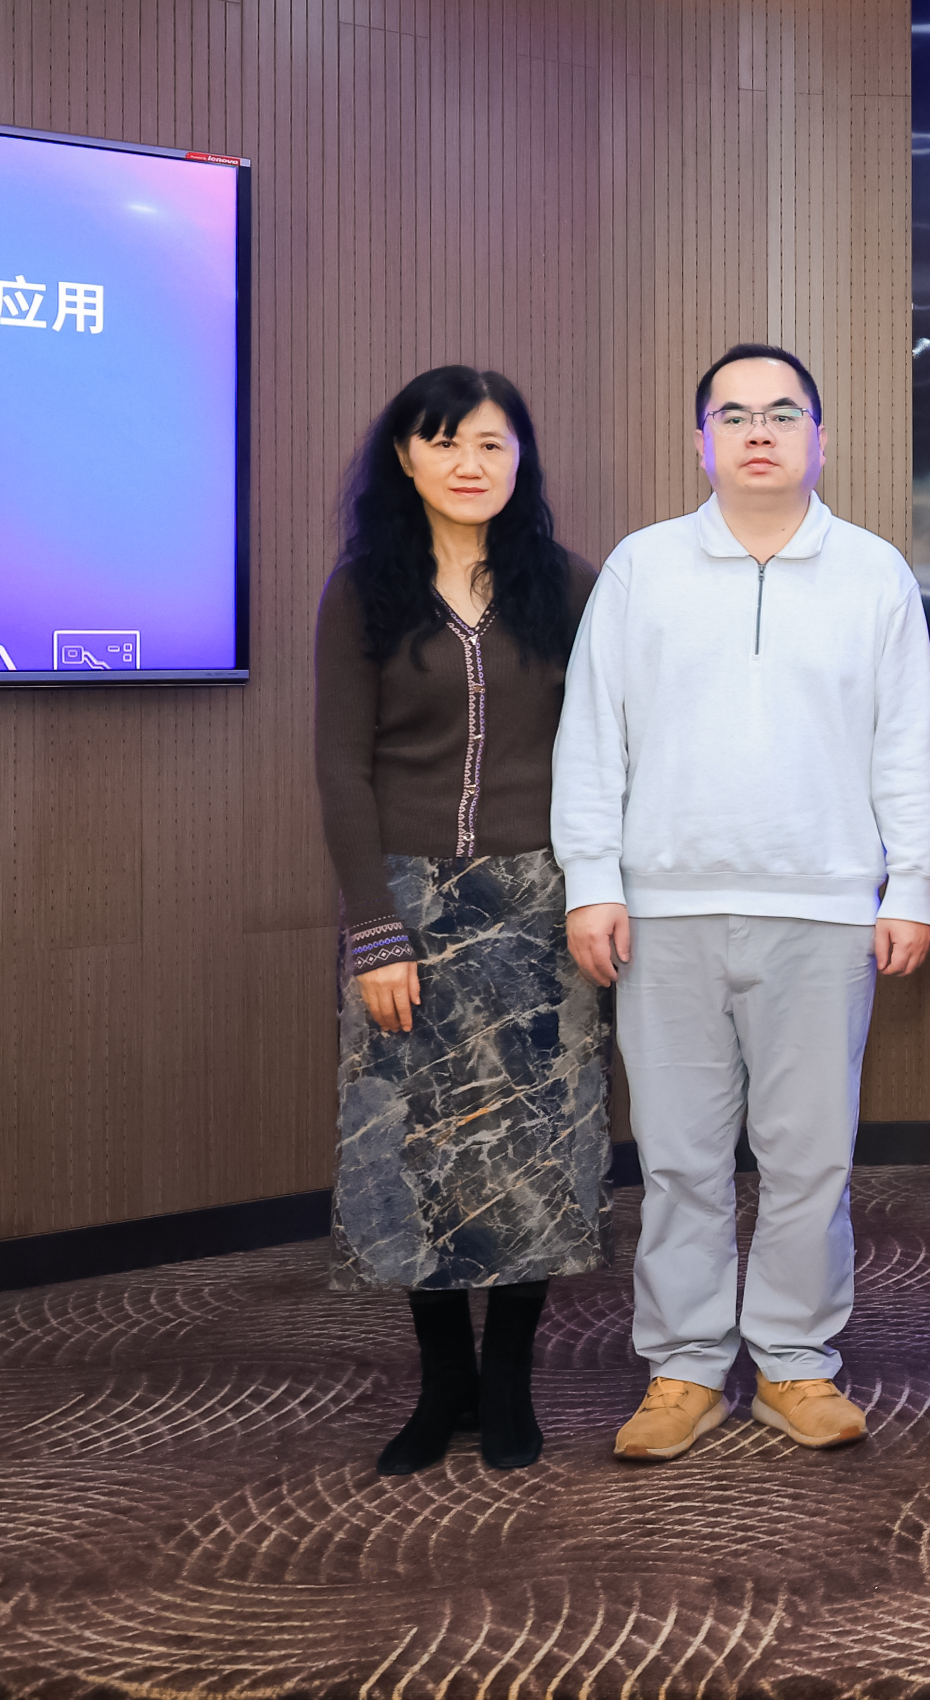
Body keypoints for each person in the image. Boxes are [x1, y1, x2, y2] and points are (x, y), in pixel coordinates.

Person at [553, 342, 930, 1463]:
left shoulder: (872, 572)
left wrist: (908, 885)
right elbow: (593, 737)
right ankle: (682, 1368)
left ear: (821, 438)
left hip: (825, 909)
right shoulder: (643, 568)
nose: (757, 431)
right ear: (701, 441)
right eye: (732, 415)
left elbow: (904, 745)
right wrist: (592, 882)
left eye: (781, 413)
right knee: (679, 1157)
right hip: (664, 910)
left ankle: (793, 1361)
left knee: (809, 1157)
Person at [317, 367, 600, 1474]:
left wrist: (598, 889)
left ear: (521, 456)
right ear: (405, 458)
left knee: (536, 1144)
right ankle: (442, 1386)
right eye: (444, 443)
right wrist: (372, 928)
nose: (469, 464)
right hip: (407, 906)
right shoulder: (365, 590)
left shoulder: (565, 585)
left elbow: (609, 749)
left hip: (540, 902)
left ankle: (508, 1382)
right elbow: (342, 768)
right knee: (415, 1147)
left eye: (491, 443)